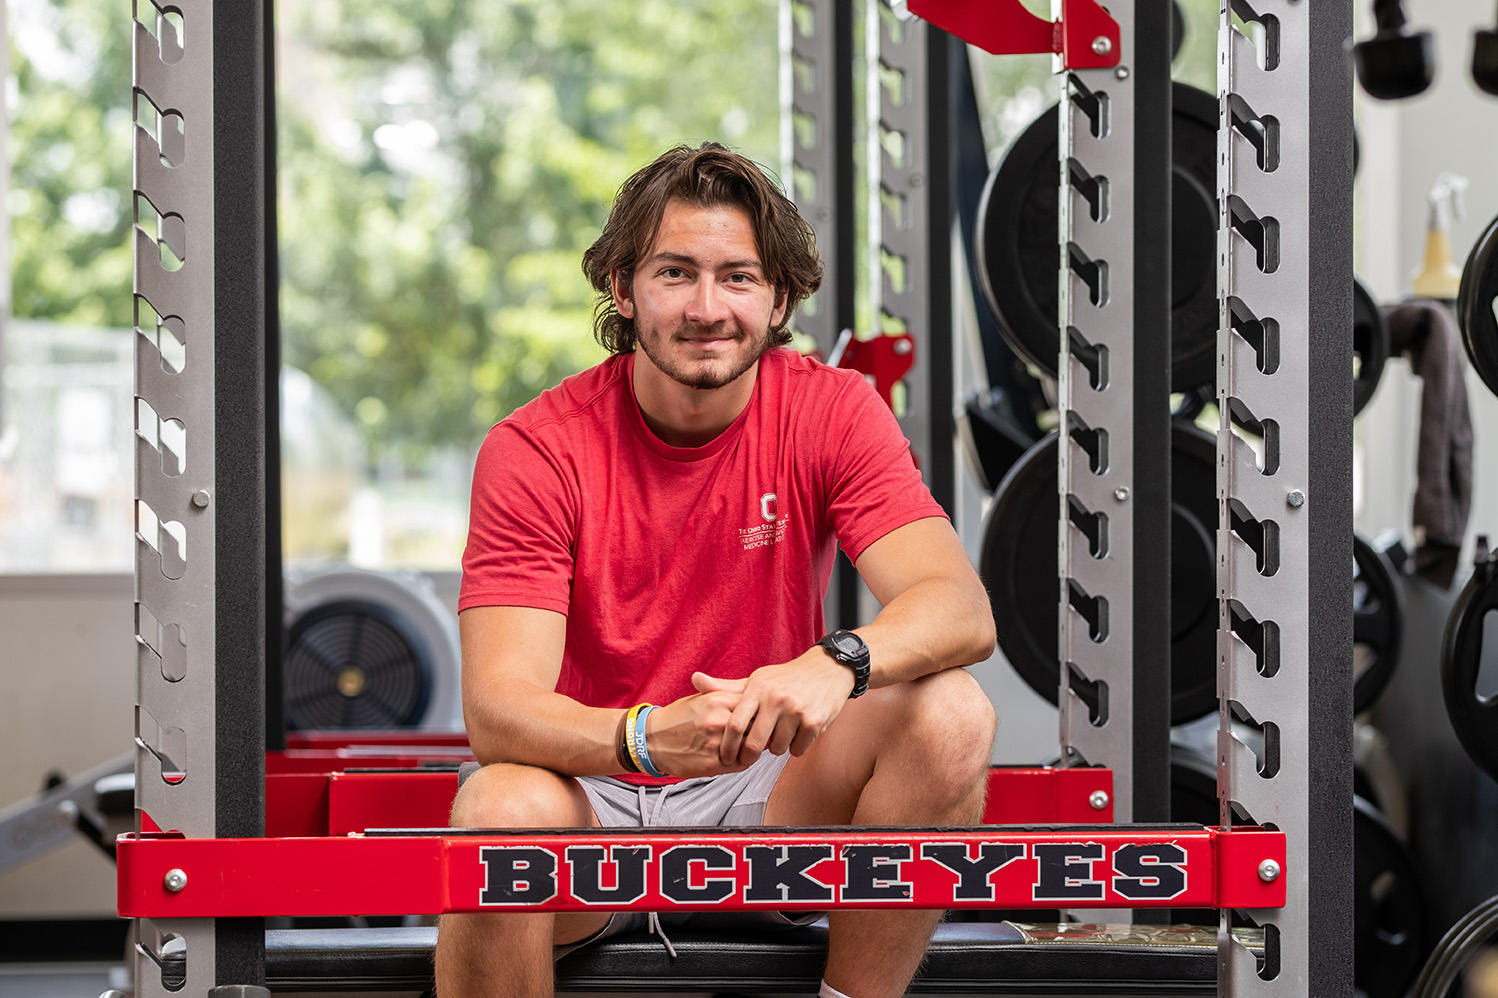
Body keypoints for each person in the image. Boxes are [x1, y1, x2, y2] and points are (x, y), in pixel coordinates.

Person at [435, 142, 998, 998]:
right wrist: (645, 738)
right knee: (497, 810)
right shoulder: (536, 449)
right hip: (593, 797)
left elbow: (958, 608)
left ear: (779, 299)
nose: (707, 308)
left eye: (738, 277)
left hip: (767, 791)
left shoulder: (832, 409)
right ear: (623, 290)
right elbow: (499, 713)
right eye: (675, 274)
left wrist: (833, 663)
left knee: (951, 712)